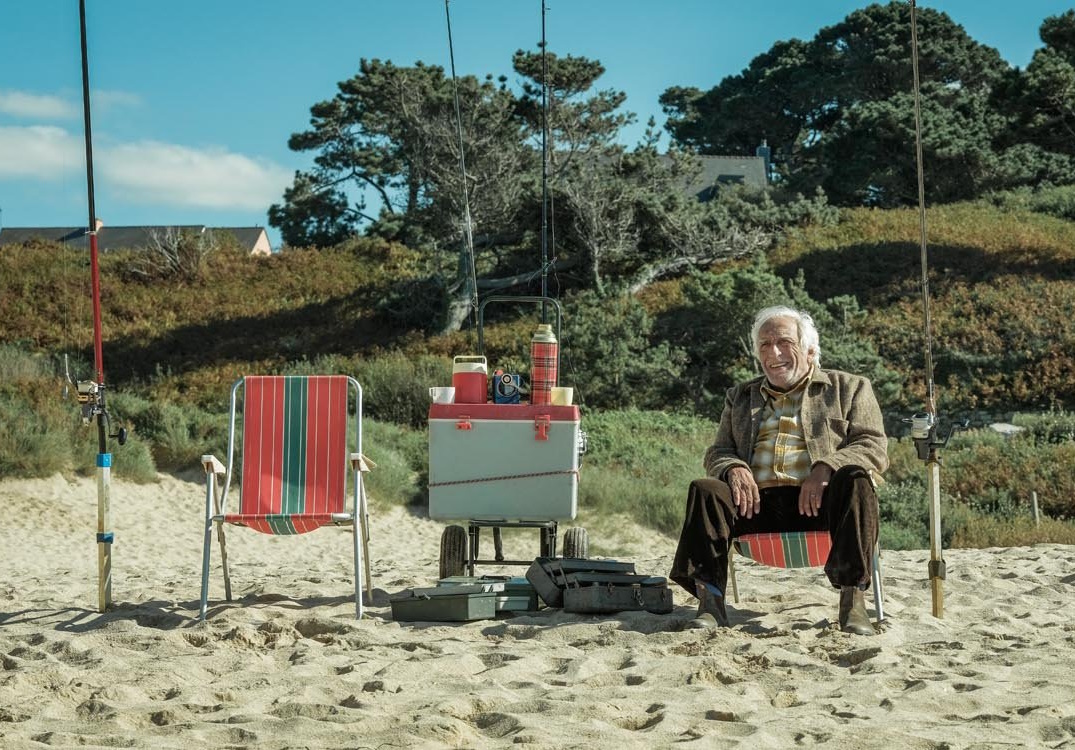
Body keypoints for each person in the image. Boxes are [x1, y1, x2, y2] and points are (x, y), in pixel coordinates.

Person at [670, 305, 888, 635]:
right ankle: (711, 604)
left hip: (824, 505)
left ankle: (852, 603)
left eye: (784, 342)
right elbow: (718, 451)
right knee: (706, 489)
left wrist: (827, 467)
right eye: (764, 344)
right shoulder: (740, 396)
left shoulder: (850, 387)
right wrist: (733, 468)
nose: (773, 353)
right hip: (755, 504)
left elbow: (873, 446)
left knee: (856, 479)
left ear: (810, 349)